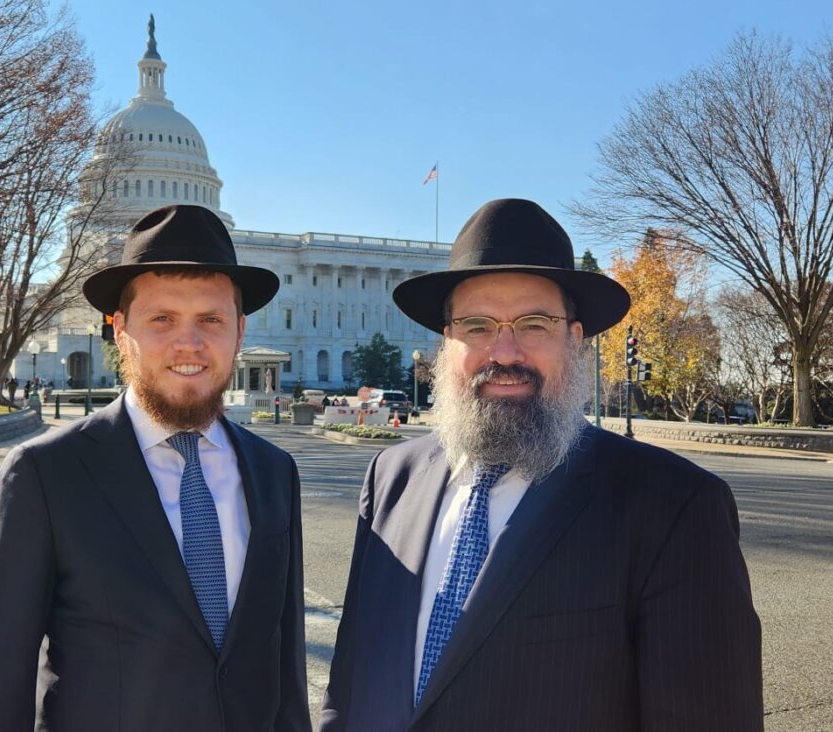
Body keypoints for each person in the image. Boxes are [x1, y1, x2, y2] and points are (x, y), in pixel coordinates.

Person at [319, 199, 762, 731]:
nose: (504, 352)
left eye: (534, 324)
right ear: (446, 342)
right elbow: (349, 682)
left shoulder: (673, 506)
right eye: (477, 326)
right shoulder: (392, 478)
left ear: (574, 340)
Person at [0, 204, 310, 731]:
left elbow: (285, 665)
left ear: (239, 331)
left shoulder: (274, 472)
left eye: (210, 320)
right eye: (162, 319)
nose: (188, 343)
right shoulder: (45, 474)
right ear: (121, 331)